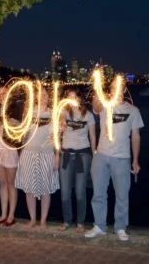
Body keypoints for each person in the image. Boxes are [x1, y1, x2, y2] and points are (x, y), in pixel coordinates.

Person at [85, 85, 144, 241]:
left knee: (122, 195)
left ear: (124, 90)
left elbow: (136, 136)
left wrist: (135, 160)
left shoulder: (133, 110)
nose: (115, 91)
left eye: (119, 88)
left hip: (122, 158)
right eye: (112, 88)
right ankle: (99, 226)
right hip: (101, 156)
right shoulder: (105, 105)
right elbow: (96, 107)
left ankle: (120, 227)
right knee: (98, 193)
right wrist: (97, 95)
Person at [15, 87, 59, 229]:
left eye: (45, 94)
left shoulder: (53, 113)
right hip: (29, 153)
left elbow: (57, 137)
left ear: (48, 97)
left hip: (47, 154)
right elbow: (23, 136)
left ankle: (43, 220)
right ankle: (33, 219)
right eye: (40, 95)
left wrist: (57, 155)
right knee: (29, 189)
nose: (42, 97)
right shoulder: (29, 112)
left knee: (45, 189)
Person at [59, 88, 96, 232]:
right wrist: (61, 125)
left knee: (80, 191)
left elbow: (92, 137)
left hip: (83, 155)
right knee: (65, 192)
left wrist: (94, 156)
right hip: (67, 155)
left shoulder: (89, 115)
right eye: (69, 97)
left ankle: (80, 222)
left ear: (80, 99)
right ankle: (67, 220)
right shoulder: (63, 112)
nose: (72, 100)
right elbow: (60, 127)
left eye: (74, 97)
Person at [0, 87, 19, 227]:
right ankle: (3, 214)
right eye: (0, 93)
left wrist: (9, 123)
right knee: (2, 183)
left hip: (9, 147)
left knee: (10, 183)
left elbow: (20, 129)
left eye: (5, 92)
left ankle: (11, 215)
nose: (2, 95)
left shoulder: (15, 108)